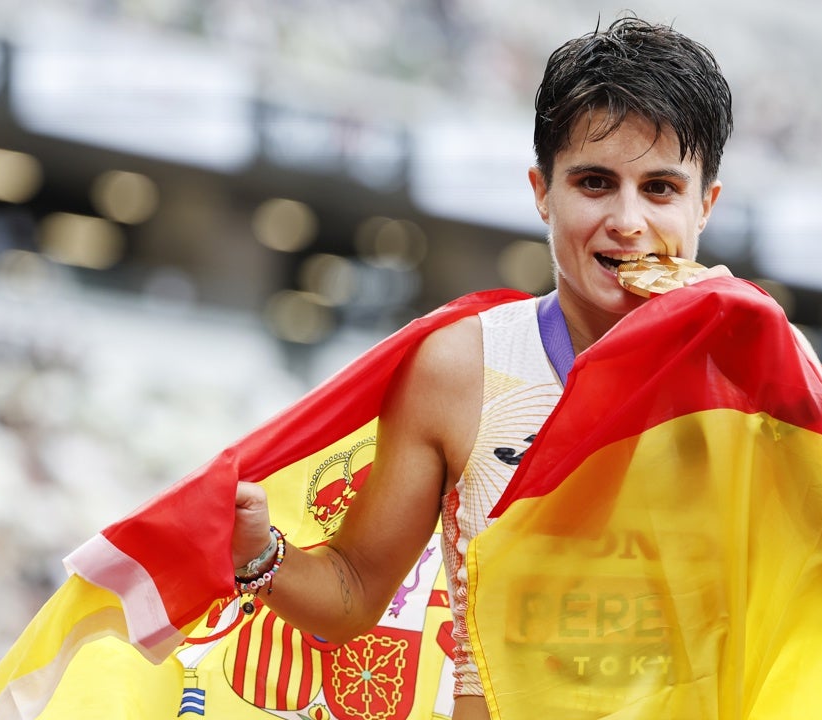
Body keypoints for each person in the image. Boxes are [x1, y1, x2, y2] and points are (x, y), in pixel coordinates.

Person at [230, 15, 734, 720]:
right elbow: (352, 592)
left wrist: (770, 361)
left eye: (660, 189)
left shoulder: (752, 387)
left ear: (704, 205)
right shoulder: (463, 367)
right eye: (595, 182)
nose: (627, 221)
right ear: (542, 191)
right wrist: (256, 553)